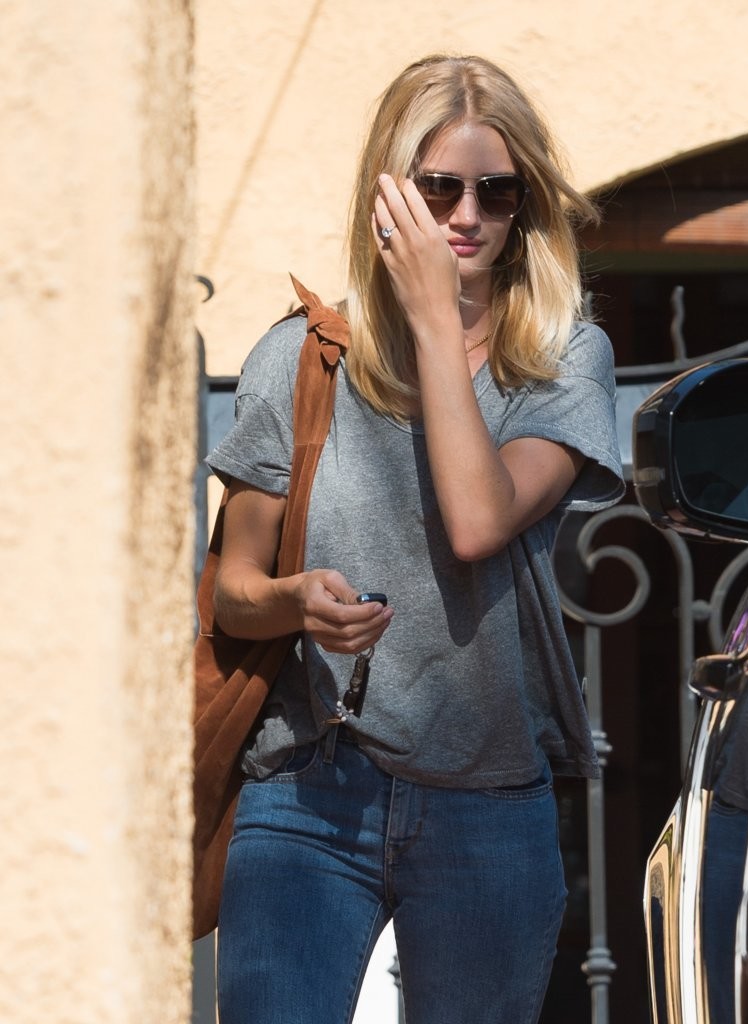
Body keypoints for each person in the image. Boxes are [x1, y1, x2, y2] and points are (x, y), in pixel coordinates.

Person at [207, 53, 624, 1024]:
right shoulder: (303, 356)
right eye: (439, 189)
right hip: (310, 792)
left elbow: (478, 518)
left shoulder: (562, 359)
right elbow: (232, 587)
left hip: (488, 801)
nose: (466, 216)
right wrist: (292, 600)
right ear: (388, 194)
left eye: (496, 192)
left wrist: (437, 317)